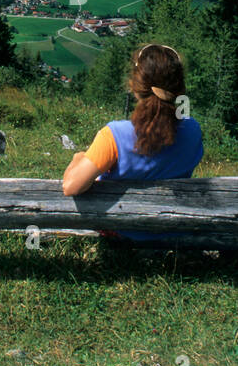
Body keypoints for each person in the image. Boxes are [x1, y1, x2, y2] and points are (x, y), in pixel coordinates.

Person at [61, 42, 203, 243]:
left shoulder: (114, 136)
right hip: (173, 228)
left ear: (134, 86)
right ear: (179, 88)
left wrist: (79, 157)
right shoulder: (193, 131)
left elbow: (71, 187)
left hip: (124, 230)